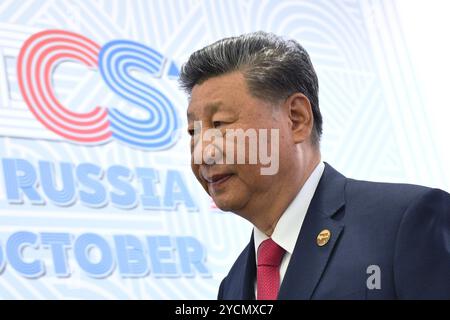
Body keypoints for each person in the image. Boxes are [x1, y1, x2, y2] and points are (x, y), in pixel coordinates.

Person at [179, 31, 450, 300]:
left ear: (296, 119)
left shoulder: (404, 223)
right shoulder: (232, 285)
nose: (203, 153)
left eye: (220, 124)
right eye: (193, 131)